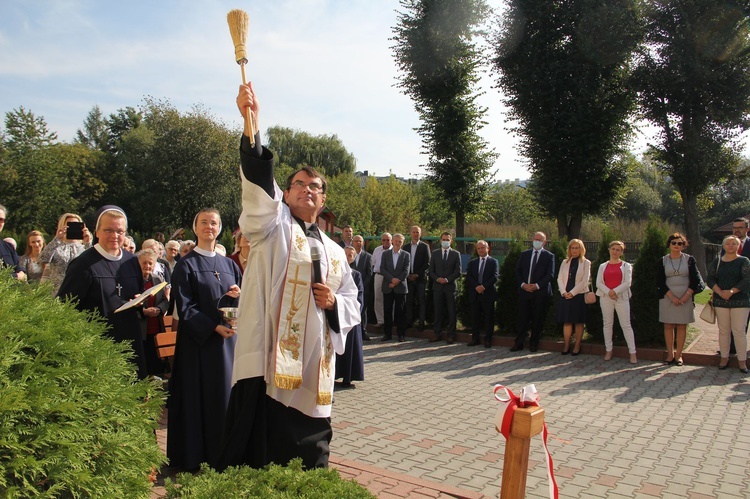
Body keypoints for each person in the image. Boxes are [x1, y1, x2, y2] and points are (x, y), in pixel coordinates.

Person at [218, 82, 360, 471]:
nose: (306, 191)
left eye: (315, 187)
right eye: (298, 184)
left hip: (315, 363)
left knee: (309, 452)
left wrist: (334, 304)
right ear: (287, 193)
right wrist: (252, 128)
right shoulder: (274, 225)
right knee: (266, 450)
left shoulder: (334, 251)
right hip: (270, 360)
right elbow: (259, 186)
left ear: (323, 199)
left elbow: (352, 301)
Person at [167, 208, 242, 471]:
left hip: (226, 345)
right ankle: (195, 457)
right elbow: (185, 307)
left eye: (214, 223)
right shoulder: (186, 265)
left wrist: (236, 294)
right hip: (198, 346)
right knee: (199, 401)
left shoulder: (230, 265)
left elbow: (237, 302)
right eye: (204, 223)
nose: (209, 227)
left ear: (220, 228)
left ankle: (221, 456)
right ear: (194, 228)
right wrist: (212, 327)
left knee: (223, 400)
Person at [57, 205, 147, 378]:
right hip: (98, 344)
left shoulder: (131, 261)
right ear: (97, 232)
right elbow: (65, 307)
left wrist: (138, 300)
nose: (114, 236)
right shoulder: (83, 264)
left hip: (129, 340)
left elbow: (136, 292)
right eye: (108, 230)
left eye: (120, 231)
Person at [659, 233, 705, 366]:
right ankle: (669, 354)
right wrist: (672, 297)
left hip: (686, 296)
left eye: (680, 243)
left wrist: (686, 296)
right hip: (667, 297)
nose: (676, 245)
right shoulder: (662, 260)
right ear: (669, 244)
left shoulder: (690, 260)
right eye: (674, 243)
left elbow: (695, 280)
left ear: (683, 246)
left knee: (681, 325)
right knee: (668, 325)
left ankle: (679, 355)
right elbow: (660, 282)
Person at [707, 235, 750, 373]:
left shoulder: (744, 261)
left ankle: (742, 362)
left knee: (739, 331)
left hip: (740, 301)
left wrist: (731, 291)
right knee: (724, 331)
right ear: (724, 246)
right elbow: (710, 279)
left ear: (738, 246)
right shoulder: (717, 261)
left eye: (733, 244)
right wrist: (720, 292)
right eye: (728, 244)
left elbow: (747, 279)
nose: (730, 246)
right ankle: (724, 358)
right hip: (721, 301)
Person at [512, 232, 555, 352]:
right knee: (522, 318)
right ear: (532, 240)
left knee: (537, 319)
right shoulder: (524, 254)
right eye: (535, 239)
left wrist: (536, 286)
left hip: (540, 293)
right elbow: (518, 271)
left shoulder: (549, 256)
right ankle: (519, 343)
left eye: (540, 240)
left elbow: (550, 275)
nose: (537, 241)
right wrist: (523, 284)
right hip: (524, 291)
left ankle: (533, 343)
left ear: (544, 242)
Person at [596, 241, 637, 363]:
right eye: (613, 249)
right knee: (607, 324)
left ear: (621, 252)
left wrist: (615, 292)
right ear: (609, 250)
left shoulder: (626, 266)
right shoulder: (603, 266)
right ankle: (608, 350)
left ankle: (632, 352)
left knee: (626, 325)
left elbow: (627, 283)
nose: (615, 251)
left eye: (618, 250)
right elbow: (598, 282)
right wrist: (609, 292)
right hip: (605, 297)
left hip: (621, 298)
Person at [39, 212, 92, 295]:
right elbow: (43, 258)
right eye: (69, 225)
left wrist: (88, 243)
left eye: (76, 225)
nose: (73, 228)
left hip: (79, 292)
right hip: (57, 292)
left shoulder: (85, 248)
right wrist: (57, 239)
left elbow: (93, 263)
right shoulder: (56, 246)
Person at [136, 249, 169, 377]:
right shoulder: (134, 280)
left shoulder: (157, 279)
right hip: (140, 329)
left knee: (154, 363)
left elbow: (165, 301)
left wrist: (159, 309)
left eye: (150, 263)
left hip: (156, 328)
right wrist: (143, 312)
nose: (147, 266)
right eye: (144, 263)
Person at [335, 246, 365, 388]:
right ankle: (334, 375)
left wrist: (350, 311)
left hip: (350, 315)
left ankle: (348, 377)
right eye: (345, 254)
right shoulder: (334, 272)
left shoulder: (356, 275)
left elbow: (359, 295)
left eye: (350, 255)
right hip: (335, 314)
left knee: (349, 347)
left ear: (353, 258)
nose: (347, 257)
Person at [557, 239, 591, 355]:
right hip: (565, 295)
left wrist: (572, 293)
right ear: (569, 249)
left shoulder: (586, 263)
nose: (575, 250)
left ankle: (577, 346)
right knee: (567, 322)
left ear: (581, 249)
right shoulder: (565, 262)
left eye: (577, 248)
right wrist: (564, 292)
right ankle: (566, 345)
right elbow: (559, 278)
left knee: (578, 322)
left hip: (578, 295)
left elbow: (584, 281)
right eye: (572, 248)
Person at [428, 232, 461, 344]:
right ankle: (437, 333)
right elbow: (431, 271)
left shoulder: (456, 254)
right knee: (437, 311)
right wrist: (437, 279)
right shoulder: (435, 253)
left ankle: (451, 335)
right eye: (443, 239)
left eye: (447, 239)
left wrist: (447, 279)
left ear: (451, 241)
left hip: (450, 287)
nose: (445, 241)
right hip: (437, 287)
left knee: (451, 312)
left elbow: (458, 272)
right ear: (440, 240)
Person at [466, 240, 499, 348]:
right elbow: (469, 276)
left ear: (487, 248)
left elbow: (495, 276)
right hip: (475, 294)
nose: (480, 250)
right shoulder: (473, 262)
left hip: (488, 294)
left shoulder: (493, 262)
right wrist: (477, 287)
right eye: (478, 248)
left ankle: (488, 340)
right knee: (475, 318)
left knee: (488, 318)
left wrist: (483, 286)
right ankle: (475, 339)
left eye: (482, 248)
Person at [381, 233, 410, 342]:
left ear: (402, 243)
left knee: (400, 312)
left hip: (400, 287)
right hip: (388, 286)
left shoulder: (406, 255)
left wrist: (397, 281)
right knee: (387, 311)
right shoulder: (385, 254)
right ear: (392, 241)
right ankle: (387, 334)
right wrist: (391, 279)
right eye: (396, 241)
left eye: (400, 241)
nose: (397, 243)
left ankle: (401, 334)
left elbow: (406, 271)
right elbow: (382, 268)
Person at [403, 225, 431, 331]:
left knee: (421, 301)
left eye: (417, 232)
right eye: (414, 232)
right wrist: (408, 275)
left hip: (420, 279)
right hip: (408, 278)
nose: (415, 234)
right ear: (410, 233)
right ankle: (409, 321)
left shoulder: (425, 246)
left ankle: (421, 322)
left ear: (420, 234)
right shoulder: (405, 247)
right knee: (409, 301)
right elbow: (404, 262)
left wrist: (417, 274)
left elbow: (427, 263)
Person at [351, 234, 373, 340]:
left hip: (363, 288)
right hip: (350, 288)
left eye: (360, 241)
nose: (358, 243)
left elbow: (370, 273)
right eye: (356, 241)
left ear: (363, 243)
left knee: (363, 310)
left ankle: (363, 331)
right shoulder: (348, 255)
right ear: (352, 243)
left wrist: (361, 286)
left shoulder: (368, 256)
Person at [371, 233, 392, 328]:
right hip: (379, 276)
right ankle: (380, 320)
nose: (386, 242)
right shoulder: (377, 250)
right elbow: (373, 263)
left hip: (390, 277)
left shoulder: (394, 250)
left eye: (388, 240)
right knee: (378, 298)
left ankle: (390, 320)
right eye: (383, 240)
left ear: (391, 240)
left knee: (391, 299)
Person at [0, 204, 26, 280]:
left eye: (2, 220)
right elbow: (19, 275)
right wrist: (17, 276)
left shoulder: (9, 247)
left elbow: (23, 274)